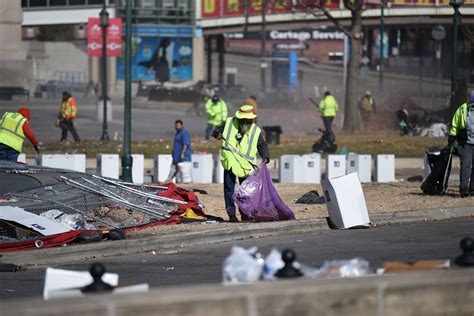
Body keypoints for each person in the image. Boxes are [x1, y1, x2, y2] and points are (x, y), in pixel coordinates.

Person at [212, 104, 270, 222]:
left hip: (244, 165)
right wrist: (216, 133)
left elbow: (261, 144)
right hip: (230, 162)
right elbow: (216, 130)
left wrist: (265, 156)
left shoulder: (255, 130)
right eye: (245, 119)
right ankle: (231, 213)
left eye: (249, 120)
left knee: (245, 191)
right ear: (240, 118)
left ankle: (245, 213)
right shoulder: (229, 122)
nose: (247, 122)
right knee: (229, 189)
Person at [448, 91, 474, 197]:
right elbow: (454, 126)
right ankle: (464, 189)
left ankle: (472, 189)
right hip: (466, 143)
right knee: (466, 166)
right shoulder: (462, 109)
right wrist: (451, 141)